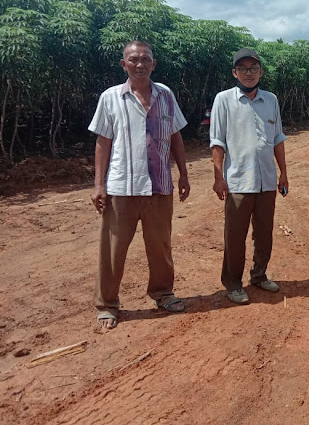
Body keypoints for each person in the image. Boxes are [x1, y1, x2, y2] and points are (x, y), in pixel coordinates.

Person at [89, 40, 190, 330]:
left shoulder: (166, 95)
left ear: (153, 64)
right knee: (113, 250)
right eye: (133, 59)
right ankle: (107, 305)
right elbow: (103, 141)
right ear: (124, 64)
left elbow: (175, 136)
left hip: (159, 186)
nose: (140, 64)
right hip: (122, 187)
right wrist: (98, 185)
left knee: (160, 246)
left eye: (146, 59)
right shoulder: (110, 97)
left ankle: (163, 293)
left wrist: (184, 174)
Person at [210, 48, 288, 304]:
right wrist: (218, 177)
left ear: (261, 72)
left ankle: (259, 275)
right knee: (235, 236)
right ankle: (233, 283)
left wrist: (283, 173)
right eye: (243, 69)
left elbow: (277, 139)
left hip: (267, 179)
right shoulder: (224, 100)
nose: (248, 73)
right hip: (238, 180)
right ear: (235, 73)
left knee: (264, 233)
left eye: (253, 68)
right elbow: (217, 141)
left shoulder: (271, 100)